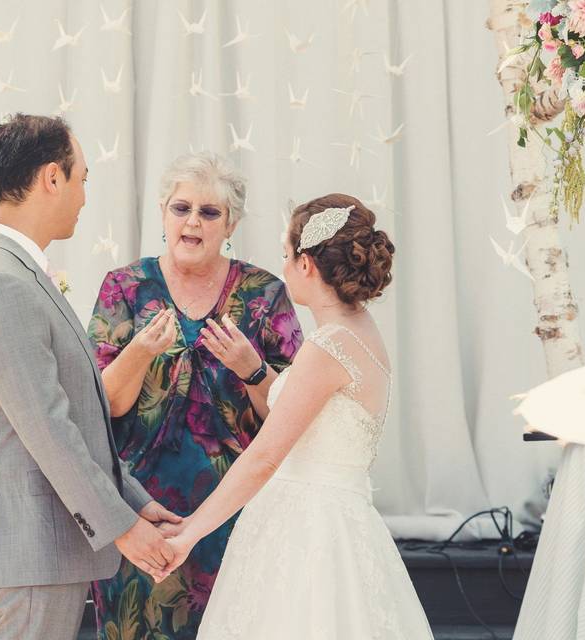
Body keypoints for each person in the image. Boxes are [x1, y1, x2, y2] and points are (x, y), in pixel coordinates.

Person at [160, 194, 434, 639]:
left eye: (286, 256)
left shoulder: (328, 347)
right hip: (336, 520)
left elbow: (267, 455)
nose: (283, 267)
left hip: (308, 536)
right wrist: (254, 370)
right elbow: (310, 418)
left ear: (306, 265)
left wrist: (190, 532)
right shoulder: (357, 331)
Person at [0, 113, 180, 640]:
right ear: (51, 178)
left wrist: (136, 501)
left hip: (46, 553)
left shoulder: (18, 272)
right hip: (31, 552)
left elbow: (74, 416)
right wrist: (124, 529)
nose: (84, 195)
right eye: (82, 178)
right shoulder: (3, 284)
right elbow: (48, 430)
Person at [87, 152, 303, 639]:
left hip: (236, 514)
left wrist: (252, 370)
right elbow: (105, 405)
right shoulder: (125, 287)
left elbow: (293, 419)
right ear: (163, 213)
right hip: (141, 517)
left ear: (231, 223)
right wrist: (139, 351)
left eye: (209, 212)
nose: (193, 221)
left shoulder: (264, 293)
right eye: (181, 208)